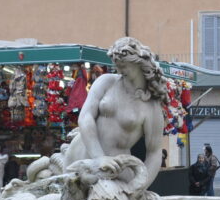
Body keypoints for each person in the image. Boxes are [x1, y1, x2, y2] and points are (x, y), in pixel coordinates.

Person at [71, 36, 168, 191]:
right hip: (82, 154)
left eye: (123, 65)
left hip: (116, 169)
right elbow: (85, 117)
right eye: (117, 65)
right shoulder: (106, 82)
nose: (119, 70)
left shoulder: (151, 106)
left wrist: (138, 187)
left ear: (139, 64)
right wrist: (99, 158)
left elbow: (154, 153)